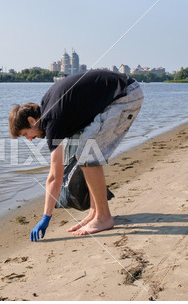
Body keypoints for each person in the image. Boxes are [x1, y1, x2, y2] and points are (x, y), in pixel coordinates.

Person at [8, 70, 144, 241]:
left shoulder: (52, 121)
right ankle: (95, 213)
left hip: (126, 96)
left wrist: (45, 218)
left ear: (31, 120)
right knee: (87, 153)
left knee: (87, 156)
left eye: (26, 133)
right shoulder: (48, 106)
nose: (29, 139)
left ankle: (103, 217)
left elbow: (55, 176)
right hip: (122, 94)